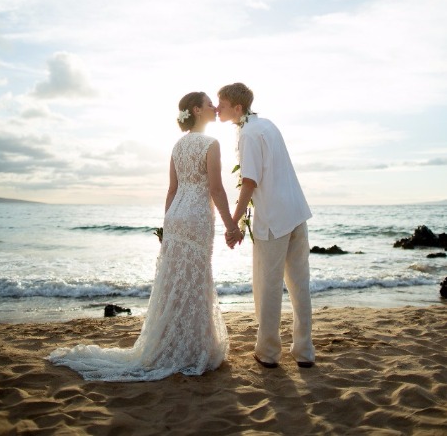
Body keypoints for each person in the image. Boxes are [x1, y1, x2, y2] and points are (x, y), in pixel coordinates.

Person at [48, 92, 243, 381]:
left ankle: (174, 343)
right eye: (209, 103)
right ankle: (193, 348)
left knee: (175, 282)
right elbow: (215, 190)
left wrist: (166, 228)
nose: (215, 107)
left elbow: (172, 191)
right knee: (196, 280)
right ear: (197, 109)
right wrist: (231, 226)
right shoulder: (211, 144)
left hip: (176, 217)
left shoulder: (177, 146)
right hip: (197, 218)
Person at [217, 82, 315, 369]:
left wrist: (233, 222)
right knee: (299, 285)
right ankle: (305, 352)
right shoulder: (268, 125)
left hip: (274, 219)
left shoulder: (248, 134)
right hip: (296, 211)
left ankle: (269, 353)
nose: (218, 108)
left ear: (238, 108)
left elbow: (249, 181)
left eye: (222, 104)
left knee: (268, 287)